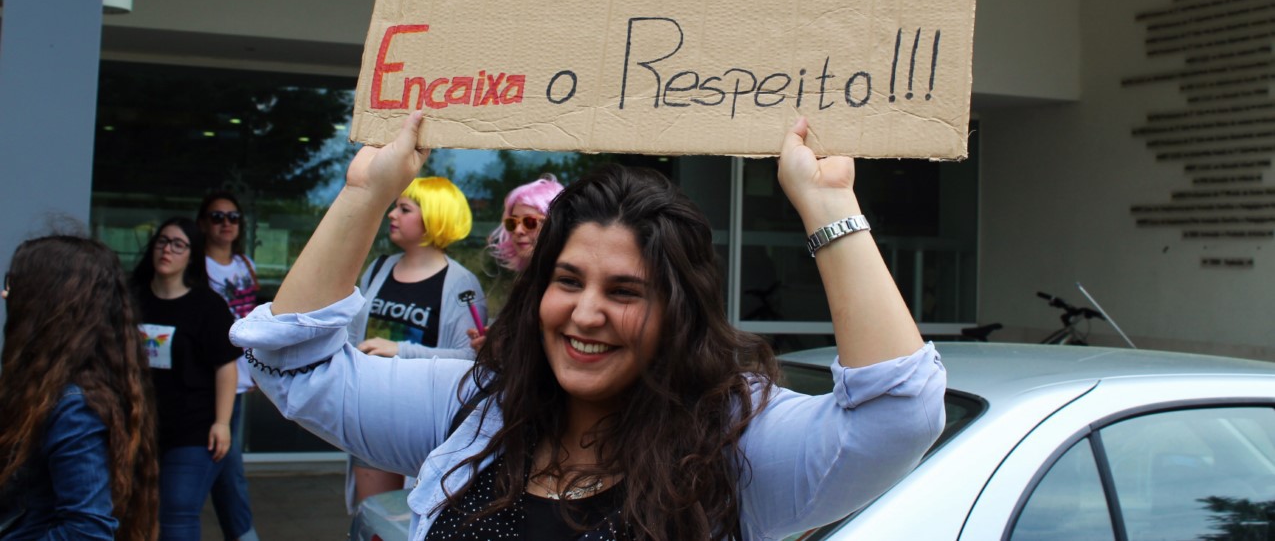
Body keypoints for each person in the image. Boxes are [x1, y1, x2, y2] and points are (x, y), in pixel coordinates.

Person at [232, 112, 945, 540]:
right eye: (567, 281)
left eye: (626, 291)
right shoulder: (475, 412)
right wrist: (367, 191)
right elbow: (295, 366)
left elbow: (896, 418)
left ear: (677, 314)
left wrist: (826, 208)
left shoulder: (735, 442)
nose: (585, 312)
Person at [0, 235, 159, 540]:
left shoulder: (74, 406)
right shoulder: (42, 387)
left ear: (48, 300)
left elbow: (87, 531)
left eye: (15, 282)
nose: (6, 293)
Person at [345, 175, 486, 507]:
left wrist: (400, 351)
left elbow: (469, 359)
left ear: (433, 219)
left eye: (404, 209)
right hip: (372, 413)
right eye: (395, 207)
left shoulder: (462, 284)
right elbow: (353, 335)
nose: (392, 214)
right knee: (372, 517)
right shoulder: (378, 269)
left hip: (423, 423)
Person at [134, 217, 242, 541]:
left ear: (191, 254)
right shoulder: (130, 298)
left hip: (193, 429)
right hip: (138, 427)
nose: (167, 249)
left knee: (178, 510)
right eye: (162, 241)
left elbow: (226, 366)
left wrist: (222, 423)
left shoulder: (207, 306)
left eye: (178, 244)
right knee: (134, 509)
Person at [197, 191, 261, 541]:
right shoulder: (197, 266)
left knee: (224, 459)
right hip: (208, 373)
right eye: (218, 216)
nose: (226, 223)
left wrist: (253, 369)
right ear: (203, 223)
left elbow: (250, 321)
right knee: (226, 461)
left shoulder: (245, 264)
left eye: (233, 217)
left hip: (238, 373)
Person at [468, 174, 565, 353]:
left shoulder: (561, 284)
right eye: (512, 223)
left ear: (555, 225)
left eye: (529, 222)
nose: (518, 231)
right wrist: (495, 343)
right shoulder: (527, 279)